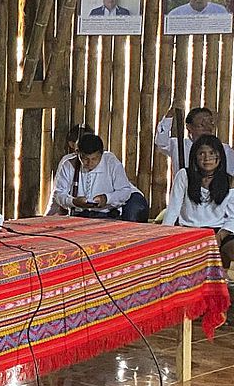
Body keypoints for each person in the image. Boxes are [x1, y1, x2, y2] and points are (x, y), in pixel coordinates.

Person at [160, 134, 234, 268]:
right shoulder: (184, 175)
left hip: (217, 232)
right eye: (202, 154)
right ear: (195, 156)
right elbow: (173, 210)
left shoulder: (229, 182)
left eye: (212, 153)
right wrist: (163, 235)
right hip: (189, 231)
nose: (207, 158)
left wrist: (220, 236)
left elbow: (232, 218)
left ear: (220, 156)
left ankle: (224, 282)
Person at [46, 133, 148, 221]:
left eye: (94, 159)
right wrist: (73, 201)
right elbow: (58, 194)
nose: (89, 163)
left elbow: (125, 191)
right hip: (79, 216)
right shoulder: (68, 164)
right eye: (85, 159)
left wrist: (106, 199)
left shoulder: (111, 162)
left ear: (101, 154)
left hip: (108, 215)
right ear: (78, 153)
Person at [154, 106, 234, 176]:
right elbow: (161, 142)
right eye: (202, 124)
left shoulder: (224, 149)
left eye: (210, 122)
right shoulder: (178, 145)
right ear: (189, 127)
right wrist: (169, 116)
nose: (207, 126)